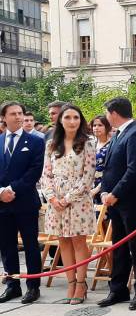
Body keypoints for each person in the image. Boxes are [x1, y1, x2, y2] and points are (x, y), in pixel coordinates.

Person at [97, 97, 136, 310]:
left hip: (131, 201)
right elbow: (109, 168)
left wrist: (115, 193)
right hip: (114, 201)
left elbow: (133, 170)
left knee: (135, 246)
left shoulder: (135, 134)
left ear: (113, 113)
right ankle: (118, 288)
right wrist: (104, 191)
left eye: (107, 113)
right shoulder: (119, 134)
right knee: (118, 246)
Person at [41, 104, 96, 305]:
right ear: (60, 120)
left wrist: (67, 198)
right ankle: (70, 283)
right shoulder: (51, 145)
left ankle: (81, 284)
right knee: (63, 241)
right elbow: (46, 174)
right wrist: (52, 198)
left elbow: (88, 176)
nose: (72, 121)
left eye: (76, 117)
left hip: (78, 200)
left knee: (78, 241)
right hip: (56, 200)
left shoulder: (87, 143)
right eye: (68, 117)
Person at [0, 102, 45, 304]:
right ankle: (12, 285)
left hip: (25, 201)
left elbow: (34, 171)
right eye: (13, 114)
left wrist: (13, 189)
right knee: (7, 245)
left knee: (30, 245)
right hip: (2, 203)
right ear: (4, 117)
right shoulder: (0, 140)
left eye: (20, 113)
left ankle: (33, 286)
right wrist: (1, 191)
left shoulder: (34, 142)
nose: (18, 117)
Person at [89, 115, 112, 203]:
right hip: (89, 186)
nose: (96, 128)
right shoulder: (91, 144)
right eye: (94, 125)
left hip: (106, 187)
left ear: (107, 127)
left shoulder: (111, 145)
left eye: (100, 125)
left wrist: (97, 189)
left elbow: (111, 170)